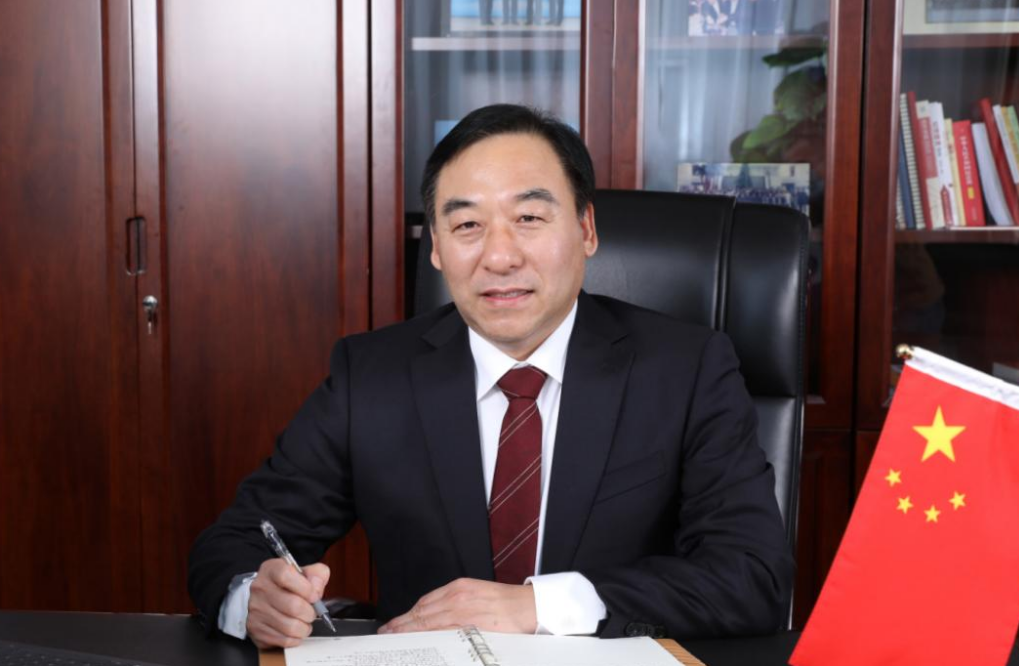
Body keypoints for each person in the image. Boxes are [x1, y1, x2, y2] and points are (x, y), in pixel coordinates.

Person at [187, 104, 793, 649]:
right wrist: (252, 598)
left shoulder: (686, 370)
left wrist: (537, 606)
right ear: (436, 248)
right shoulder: (371, 376)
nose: (499, 257)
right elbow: (235, 543)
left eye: (528, 217)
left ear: (586, 230)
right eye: (467, 226)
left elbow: (752, 576)